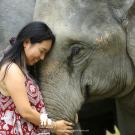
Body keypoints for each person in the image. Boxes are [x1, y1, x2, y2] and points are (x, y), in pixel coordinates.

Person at [0, 21, 74, 135]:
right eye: (42, 51)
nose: (42, 57)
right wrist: (54, 126)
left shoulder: (23, 70)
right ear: (26, 42)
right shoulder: (11, 70)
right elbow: (26, 112)